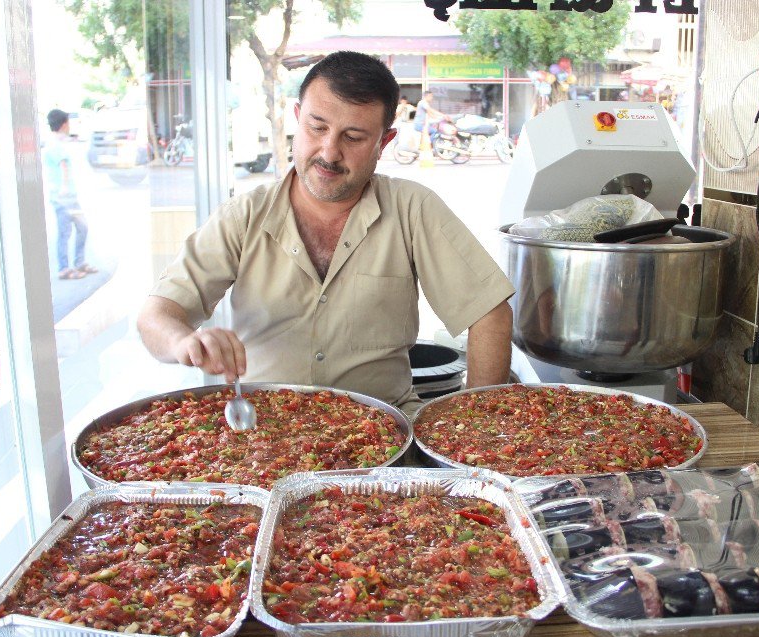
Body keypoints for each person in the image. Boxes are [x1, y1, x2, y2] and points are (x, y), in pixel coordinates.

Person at [137, 51, 513, 415]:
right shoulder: (245, 215)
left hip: (386, 430)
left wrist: (473, 425)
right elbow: (157, 314)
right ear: (297, 119)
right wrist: (183, 340)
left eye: (353, 137)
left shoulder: (412, 209)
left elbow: (489, 312)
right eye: (317, 128)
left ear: (384, 142)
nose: (329, 152)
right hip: (260, 430)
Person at [43, 108, 97, 280]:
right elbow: (63, 165)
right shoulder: (54, 144)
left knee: (82, 228)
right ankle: (64, 268)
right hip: (62, 199)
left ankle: (79, 262)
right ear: (64, 123)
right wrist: (65, 187)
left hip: (69, 198)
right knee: (64, 233)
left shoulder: (59, 142)